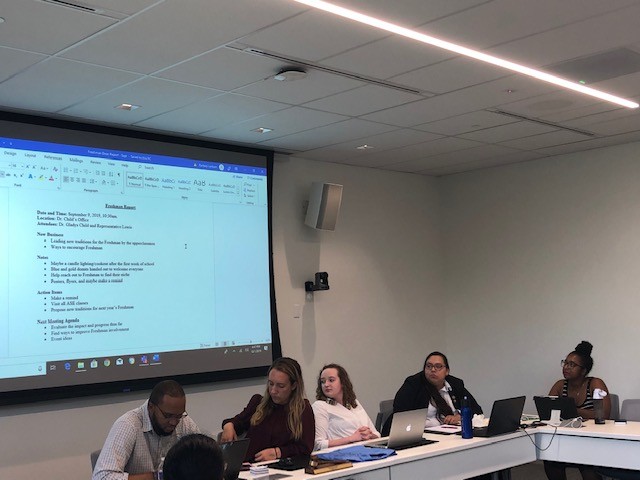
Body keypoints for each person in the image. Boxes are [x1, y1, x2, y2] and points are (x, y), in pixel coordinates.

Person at [92, 379, 200, 480]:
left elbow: (204, 461)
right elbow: (102, 476)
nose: (174, 422)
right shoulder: (128, 425)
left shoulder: (184, 422)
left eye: (178, 416)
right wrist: (157, 477)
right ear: (151, 407)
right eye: (167, 416)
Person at [220, 357, 314, 462]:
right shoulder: (258, 403)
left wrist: (278, 452)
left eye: (281, 386)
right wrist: (229, 425)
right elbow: (238, 422)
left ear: (294, 386)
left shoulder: (302, 409)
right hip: (250, 466)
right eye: (271, 384)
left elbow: (305, 448)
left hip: (278, 468)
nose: (273, 391)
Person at [544, 341, 610, 480]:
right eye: (565, 363)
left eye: (572, 365)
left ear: (584, 370)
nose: (566, 367)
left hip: (592, 439)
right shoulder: (560, 385)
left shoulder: (595, 383)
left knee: (587, 465)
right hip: (567, 437)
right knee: (550, 460)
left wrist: (571, 409)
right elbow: (548, 410)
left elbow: (603, 415)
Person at [390, 351, 482, 432]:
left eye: (438, 366)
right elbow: (400, 416)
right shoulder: (413, 384)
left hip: (451, 434)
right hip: (422, 435)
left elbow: (476, 410)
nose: (433, 370)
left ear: (447, 371)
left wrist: (459, 417)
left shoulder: (455, 384)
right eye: (429, 366)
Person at [312, 363, 380, 450]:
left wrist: (369, 434)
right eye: (323, 381)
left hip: (368, 451)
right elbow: (318, 444)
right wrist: (351, 438)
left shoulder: (354, 403)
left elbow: (377, 434)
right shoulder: (320, 406)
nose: (326, 384)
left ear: (342, 382)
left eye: (331, 380)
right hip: (342, 457)